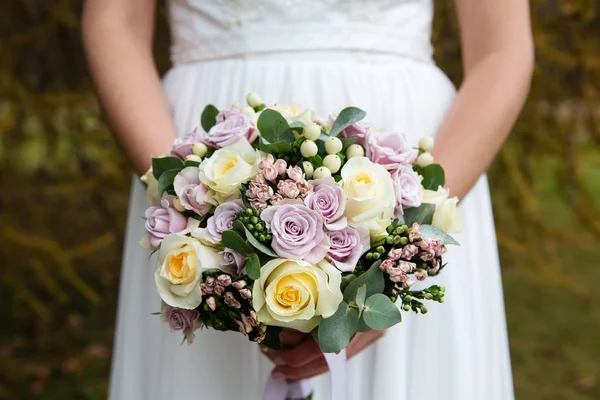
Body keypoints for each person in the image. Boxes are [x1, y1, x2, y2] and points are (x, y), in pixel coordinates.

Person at [82, 1, 534, 399]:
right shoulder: (190, 185)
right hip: (202, 148)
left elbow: (502, 48)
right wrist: (186, 196)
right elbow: (114, 21)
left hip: (412, 153)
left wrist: (402, 249)